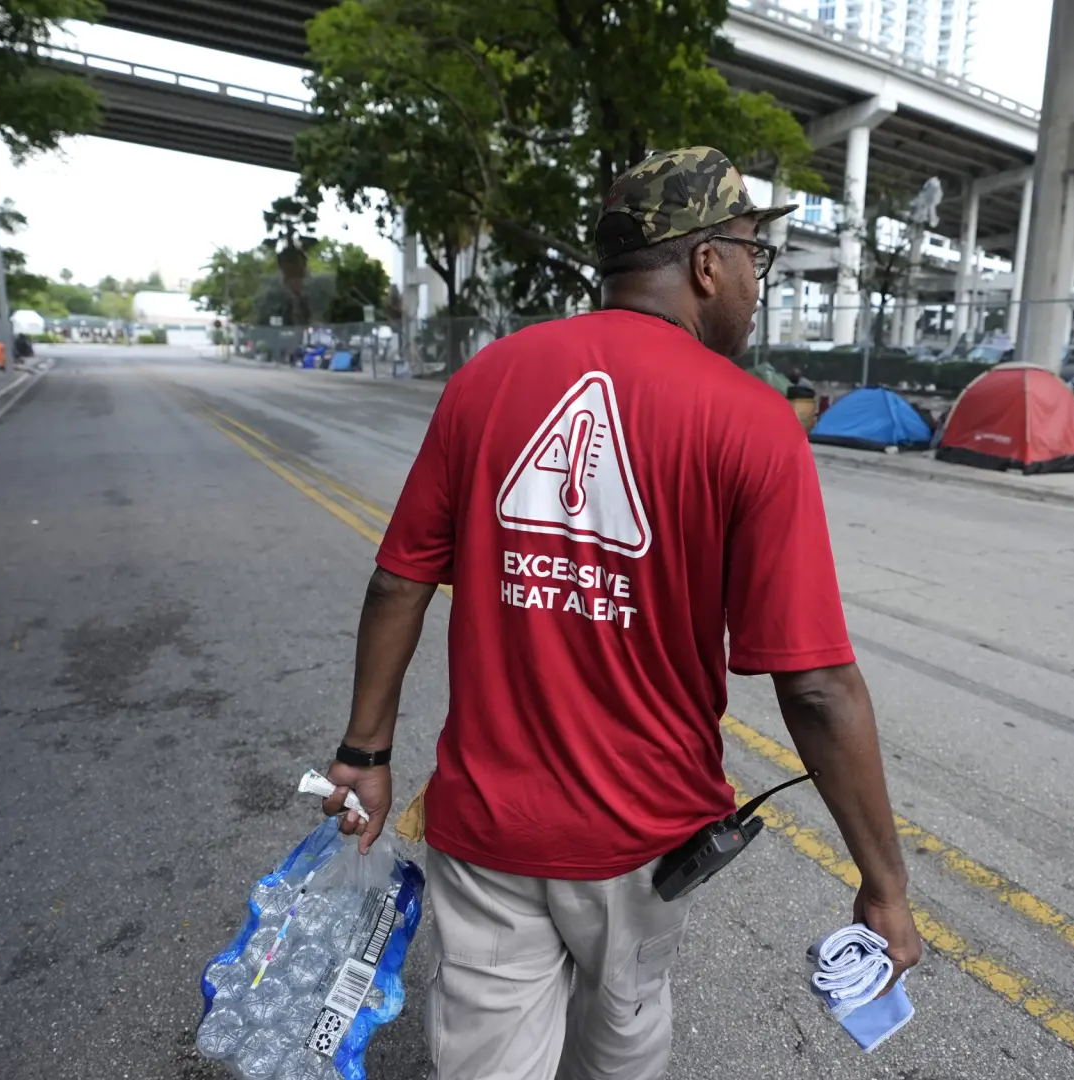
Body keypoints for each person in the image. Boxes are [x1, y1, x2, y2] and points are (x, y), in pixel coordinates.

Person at [322, 146, 921, 1080]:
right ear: (706, 262)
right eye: (754, 261)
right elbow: (813, 685)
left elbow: (399, 581)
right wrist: (884, 884)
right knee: (624, 1038)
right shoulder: (754, 422)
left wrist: (363, 754)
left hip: (488, 826)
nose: (757, 287)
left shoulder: (488, 380)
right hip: (641, 839)